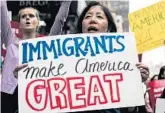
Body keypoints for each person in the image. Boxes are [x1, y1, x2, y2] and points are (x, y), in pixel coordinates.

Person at [75, 1, 149, 113]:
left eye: (99, 17)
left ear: (109, 28)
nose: (92, 20)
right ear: (81, 26)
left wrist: (135, 85)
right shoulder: (65, 63)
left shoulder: (122, 64)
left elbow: (130, 110)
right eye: (88, 16)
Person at [1, 1, 71, 113]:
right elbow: (2, 9)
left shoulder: (46, 45)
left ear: (37, 22)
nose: (27, 18)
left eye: (31, 16)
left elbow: (60, 21)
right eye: (23, 16)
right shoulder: (10, 41)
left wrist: (67, 2)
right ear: (19, 23)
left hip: (36, 95)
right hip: (8, 95)